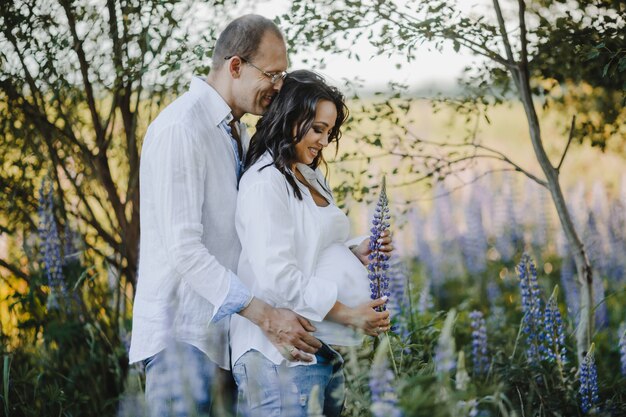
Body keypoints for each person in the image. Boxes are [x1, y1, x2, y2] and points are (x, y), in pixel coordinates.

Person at [128, 15, 323, 417]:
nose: (279, 86)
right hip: (180, 341)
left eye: (283, 75)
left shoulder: (237, 133)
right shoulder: (182, 128)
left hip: (223, 341)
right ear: (236, 67)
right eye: (272, 74)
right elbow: (184, 250)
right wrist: (266, 316)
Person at [230, 70, 393, 417]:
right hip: (281, 357)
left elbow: (309, 248)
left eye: (329, 132)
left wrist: (354, 252)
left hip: (320, 348)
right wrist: (350, 314)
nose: (324, 140)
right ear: (289, 118)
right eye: (317, 128)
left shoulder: (307, 175)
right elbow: (278, 276)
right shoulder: (265, 182)